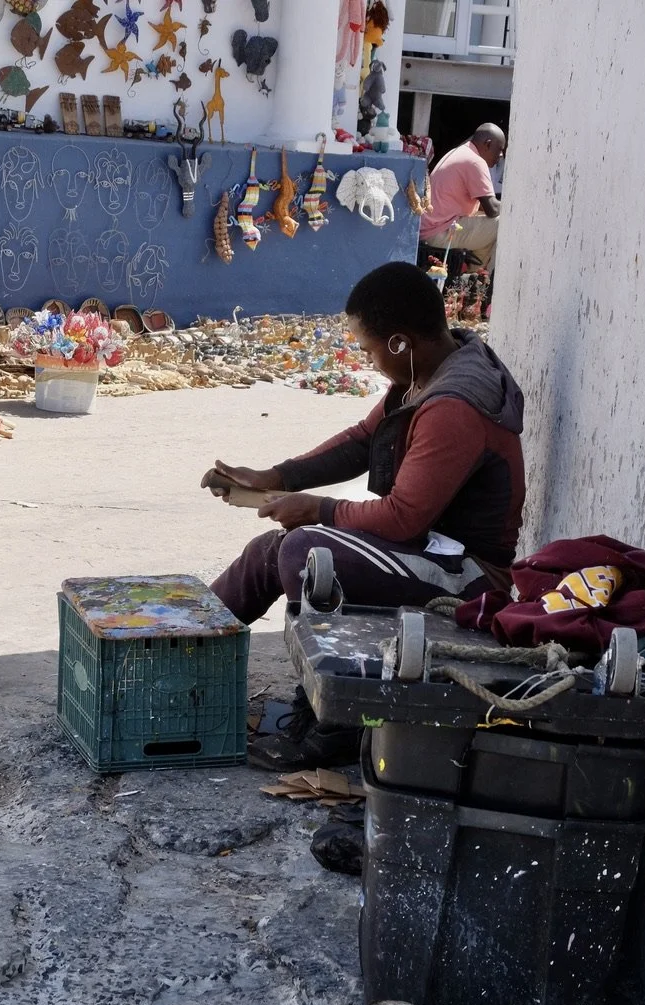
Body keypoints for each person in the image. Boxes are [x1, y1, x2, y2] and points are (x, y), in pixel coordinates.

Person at [203, 261, 525, 771]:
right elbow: (360, 442)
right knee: (268, 554)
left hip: (468, 577)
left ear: (399, 343)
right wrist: (274, 476)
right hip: (429, 552)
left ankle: (337, 724)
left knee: (305, 553)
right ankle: (182, 660)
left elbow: (401, 520)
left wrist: (317, 509)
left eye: (369, 349)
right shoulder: (427, 370)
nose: (369, 361)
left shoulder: (452, 408)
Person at [420, 123, 505, 272]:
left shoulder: (460, 152)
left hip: (431, 228)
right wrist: (517, 205)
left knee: (486, 224)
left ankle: (472, 275)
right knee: (502, 223)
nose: (501, 156)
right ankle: (475, 278)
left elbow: (484, 206)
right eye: (499, 149)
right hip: (439, 232)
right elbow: (492, 209)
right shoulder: (475, 161)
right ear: (488, 144)